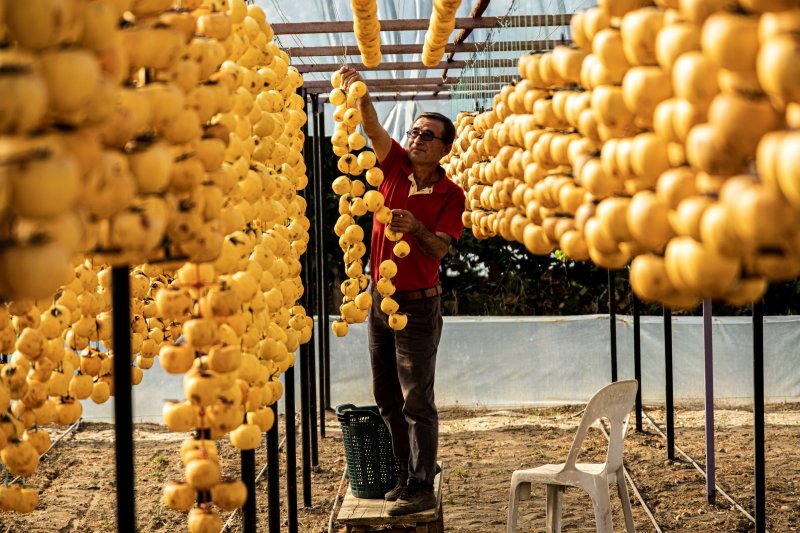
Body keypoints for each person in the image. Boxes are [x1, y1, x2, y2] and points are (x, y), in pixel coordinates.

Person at [338, 66, 466, 516]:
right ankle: (401, 472)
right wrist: (359, 91)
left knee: (417, 399)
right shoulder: (392, 164)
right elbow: (372, 127)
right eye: (414, 132)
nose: (417, 139)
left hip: (417, 307)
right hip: (379, 300)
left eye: (427, 135)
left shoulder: (451, 194)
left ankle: (421, 484)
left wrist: (415, 228)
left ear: (444, 147)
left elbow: (440, 251)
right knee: (387, 396)